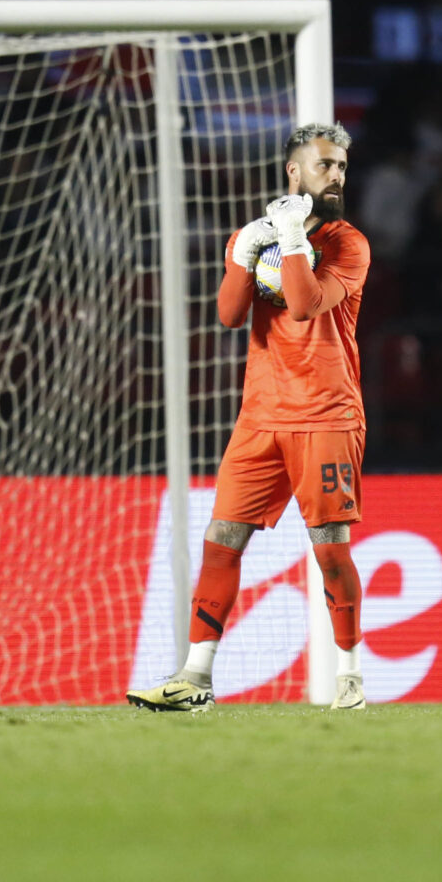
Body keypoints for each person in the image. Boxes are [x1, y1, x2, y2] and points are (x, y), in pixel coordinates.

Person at [127, 121, 371, 712]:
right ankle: (195, 679)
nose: (335, 174)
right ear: (294, 170)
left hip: (326, 414)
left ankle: (349, 679)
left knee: (329, 548)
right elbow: (231, 315)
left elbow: (309, 304)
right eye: (323, 165)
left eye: (340, 165)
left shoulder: (348, 244)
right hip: (260, 415)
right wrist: (243, 252)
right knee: (221, 541)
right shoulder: (257, 236)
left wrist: (290, 237)